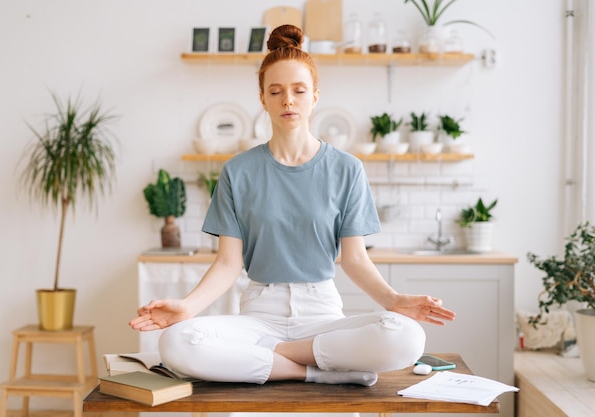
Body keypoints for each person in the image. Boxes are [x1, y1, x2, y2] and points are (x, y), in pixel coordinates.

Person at [130, 24, 455, 387]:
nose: (288, 101)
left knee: (407, 336)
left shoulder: (347, 169)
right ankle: (316, 372)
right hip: (258, 314)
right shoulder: (238, 171)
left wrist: (393, 300)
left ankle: (275, 357)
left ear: (315, 96)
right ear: (262, 98)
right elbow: (228, 262)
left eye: (299, 90)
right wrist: (188, 306)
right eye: (276, 91)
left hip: (322, 315)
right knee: (176, 342)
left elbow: (355, 259)